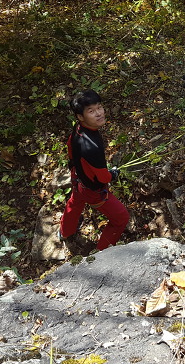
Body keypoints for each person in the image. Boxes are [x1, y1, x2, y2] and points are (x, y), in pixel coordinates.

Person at [59, 90, 129, 252]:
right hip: (92, 190)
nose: (99, 113)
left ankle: (65, 232)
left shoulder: (79, 129)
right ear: (80, 116)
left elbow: (70, 146)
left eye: (99, 107)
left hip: (78, 179)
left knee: (75, 202)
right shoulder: (92, 147)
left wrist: (75, 167)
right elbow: (103, 177)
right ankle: (101, 254)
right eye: (91, 111)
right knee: (121, 218)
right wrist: (113, 174)